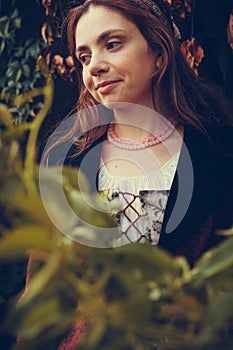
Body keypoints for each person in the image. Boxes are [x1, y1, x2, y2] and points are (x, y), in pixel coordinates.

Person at [37, 0, 233, 348]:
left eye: (112, 44)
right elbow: (42, 292)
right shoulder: (66, 159)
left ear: (159, 53)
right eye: (84, 56)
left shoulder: (220, 152)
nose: (94, 66)